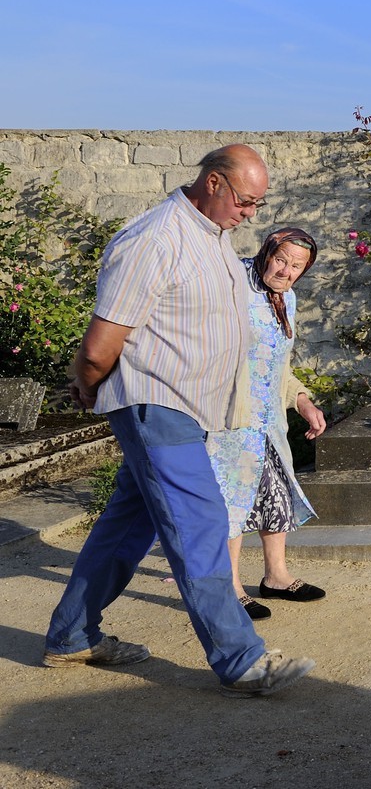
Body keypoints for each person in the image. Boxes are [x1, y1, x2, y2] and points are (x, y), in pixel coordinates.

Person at [42, 144, 314, 697]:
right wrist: (90, 386)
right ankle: (243, 661)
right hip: (156, 403)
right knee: (201, 523)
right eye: (245, 200)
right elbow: (100, 345)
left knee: (128, 524)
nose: (251, 214)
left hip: (189, 409)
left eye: (258, 205)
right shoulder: (155, 238)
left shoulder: (212, 235)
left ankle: (72, 635)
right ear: (213, 182)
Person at [208, 226, 327, 620]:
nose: (286, 271)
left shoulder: (286, 298)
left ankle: (275, 577)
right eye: (281, 260)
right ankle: (230, 588)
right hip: (230, 420)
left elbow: (279, 366)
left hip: (268, 422)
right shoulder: (233, 284)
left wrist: (303, 402)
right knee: (232, 502)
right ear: (267, 252)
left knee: (275, 493)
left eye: (297, 266)